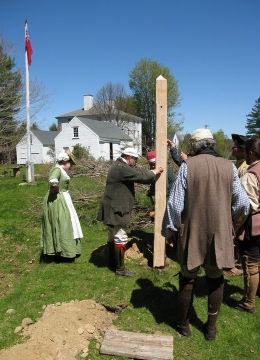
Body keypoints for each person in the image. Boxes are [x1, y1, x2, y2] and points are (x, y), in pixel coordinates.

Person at [162, 128, 250, 341]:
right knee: (215, 278)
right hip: (219, 233)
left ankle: (183, 324)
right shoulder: (229, 167)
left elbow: (174, 205)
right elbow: (243, 204)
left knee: (188, 276)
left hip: (192, 231)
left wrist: (170, 231)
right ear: (211, 144)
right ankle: (210, 329)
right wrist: (228, 222)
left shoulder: (187, 167)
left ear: (193, 147)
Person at [97, 147, 163, 276]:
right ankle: (120, 269)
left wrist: (150, 172)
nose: (136, 162)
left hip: (112, 206)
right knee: (120, 237)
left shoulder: (119, 165)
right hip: (117, 209)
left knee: (112, 236)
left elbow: (137, 171)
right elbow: (140, 176)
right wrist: (154, 172)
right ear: (130, 158)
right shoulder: (121, 167)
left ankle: (113, 262)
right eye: (135, 160)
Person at [233, 138, 260, 313]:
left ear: (250, 153)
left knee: (251, 263)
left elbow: (246, 207)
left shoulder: (251, 174)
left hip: (254, 225)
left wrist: (234, 228)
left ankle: (249, 302)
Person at [41, 150, 83, 261]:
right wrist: (56, 189)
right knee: (62, 223)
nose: (72, 165)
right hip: (58, 200)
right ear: (65, 161)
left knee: (68, 223)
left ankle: (68, 250)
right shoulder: (57, 169)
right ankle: (62, 251)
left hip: (63, 199)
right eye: (71, 163)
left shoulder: (61, 170)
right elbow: (52, 180)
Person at [225, 134, 249, 277]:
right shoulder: (238, 163)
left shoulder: (244, 167)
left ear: (242, 150)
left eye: (236, 146)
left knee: (239, 235)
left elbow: (243, 194)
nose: (233, 147)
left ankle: (239, 265)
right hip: (235, 206)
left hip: (242, 209)